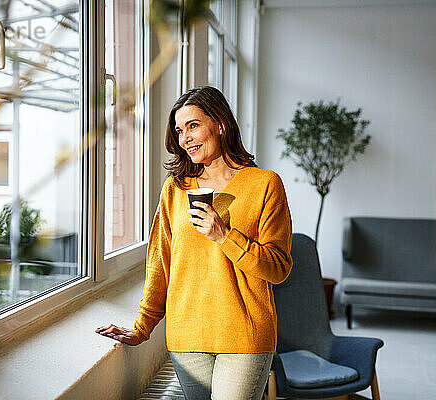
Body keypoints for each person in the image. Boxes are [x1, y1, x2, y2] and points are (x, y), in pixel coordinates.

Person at [96, 86, 293, 400]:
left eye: (193, 125)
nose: (184, 137)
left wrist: (224, 236)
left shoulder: (264, 184)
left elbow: (279, 268)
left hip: (244, 334)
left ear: (219, 125)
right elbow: (161, 261)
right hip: (186, 335)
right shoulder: (176, 188)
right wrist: (143, 326)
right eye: (178, 130)